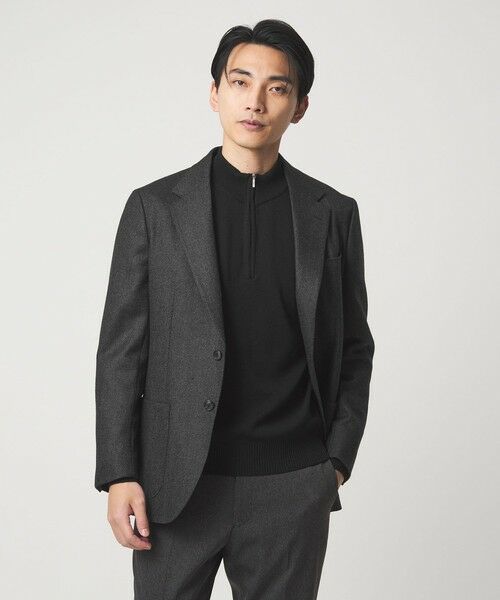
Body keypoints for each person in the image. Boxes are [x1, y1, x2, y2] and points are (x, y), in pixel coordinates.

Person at [94, 18, 375, 599]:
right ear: (214, 92)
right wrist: (119, 472)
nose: (255, 101)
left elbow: (354, 346)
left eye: (277, 87)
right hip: (176, 485)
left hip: (292, 485)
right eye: (240, 82)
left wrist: (335, 463)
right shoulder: (155, 209)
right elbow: (121, 352)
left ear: (299, 106)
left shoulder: (333, 214)